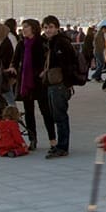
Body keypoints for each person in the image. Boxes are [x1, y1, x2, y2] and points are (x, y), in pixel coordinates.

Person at [41, 15, 79, 158]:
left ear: (57, 27)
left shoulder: (61, 43)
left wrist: (68, 84)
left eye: (50, 27)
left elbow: (68, 64)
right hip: (53, 83)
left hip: (59, 84)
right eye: (45, 27)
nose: (48, 30)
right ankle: (60, 145)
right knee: (56, 115)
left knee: (60, 116)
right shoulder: (51, 42)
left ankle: (63, 146)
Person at [14, 19, 52, 151]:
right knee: (29, 113)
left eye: (26, 27)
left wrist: (43, 71)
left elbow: (47, 60)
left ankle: (52, 139)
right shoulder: (21, 44)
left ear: (33, 29)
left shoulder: (41, 43)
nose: (23, 29)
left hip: (39, 82)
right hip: (26, 83)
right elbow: (15, 61)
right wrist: (12, 69)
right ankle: (32, 139)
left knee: (45, 111)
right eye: (22, 27)